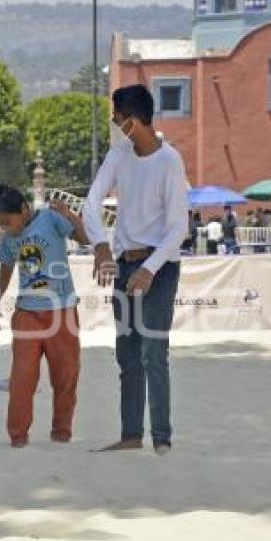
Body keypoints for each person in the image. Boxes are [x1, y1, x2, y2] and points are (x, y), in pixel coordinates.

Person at [82, 84, 189, 456]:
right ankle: (131, 436)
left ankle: (162, 438)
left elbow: (179, 228)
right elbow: (92, 203)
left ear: (133, 121)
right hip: (125, 264)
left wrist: (151, 268)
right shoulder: (119, 155)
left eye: (116, 118)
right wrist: (99, 245)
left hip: (159, 268)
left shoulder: (170, 161)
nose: (113, 124)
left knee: (152, 353)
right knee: (126, 354)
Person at [0, 185, 88, 448]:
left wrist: (70, 214)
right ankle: (18, 436)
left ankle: (61, 432)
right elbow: (4, 274)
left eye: (7, 221)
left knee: (66, 376)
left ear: (24, 209)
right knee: (22, 378)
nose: (5, 228)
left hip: (62, 312)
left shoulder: (51, 218)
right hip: (27, 315)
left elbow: (85, 238)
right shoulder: (9, 240)